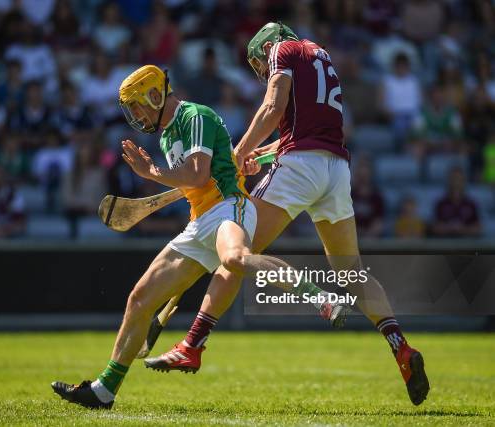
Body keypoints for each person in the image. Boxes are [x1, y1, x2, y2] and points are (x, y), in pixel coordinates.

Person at [148, 22, 429, 406]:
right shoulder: (321, 56)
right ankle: (401, 347)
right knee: (351, 273)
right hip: (335, 170)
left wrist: (238, 152)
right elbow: (300, 129)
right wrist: (259, 154)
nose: (263, 70)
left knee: (236, 255)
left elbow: (272, 107)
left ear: (269, 45)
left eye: (261, 62)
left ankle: (192, 344)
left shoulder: (284, 50)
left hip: (299, 169)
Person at [51, 64, 294, 409]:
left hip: (228, 209)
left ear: (155, 94)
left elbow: (196, 175)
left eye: (137, 104)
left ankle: (313, 292)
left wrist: (152, 173)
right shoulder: (165, 135)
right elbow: (196, 181)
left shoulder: (194, 115)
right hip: (198, 221)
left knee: (235, 261)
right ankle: (104, 391)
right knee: (139, 299)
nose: (134, 114)